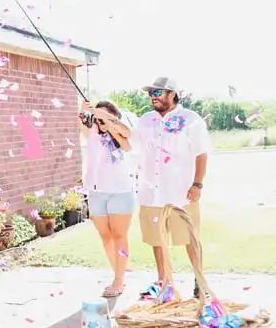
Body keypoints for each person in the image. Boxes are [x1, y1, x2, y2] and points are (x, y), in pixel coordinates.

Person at [133, 77, 212, 298]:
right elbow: (130, 143)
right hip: (151, 193)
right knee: (157, 240)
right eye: (150, 93)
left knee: (190, 238)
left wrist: (197, 183)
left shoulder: (191, 120)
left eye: (158, 92)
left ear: (172, 94)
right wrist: (107, 122)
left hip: (182, 193)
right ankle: (165, 282)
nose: (153, 97)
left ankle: (200, 280)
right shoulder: (146, 120)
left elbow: (201, 153)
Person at [80, 100, 135, 298]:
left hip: (120, 191)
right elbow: (81, 122)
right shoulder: (92, 134)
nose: (99, 120)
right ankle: (119, 272)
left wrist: (108, 122)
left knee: (119, 235)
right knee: (105, 236)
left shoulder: (121, 134)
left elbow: (127, 139)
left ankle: (118, 281)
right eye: (97, 117)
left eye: (104, 116)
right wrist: (84, 109)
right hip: (96, 192)